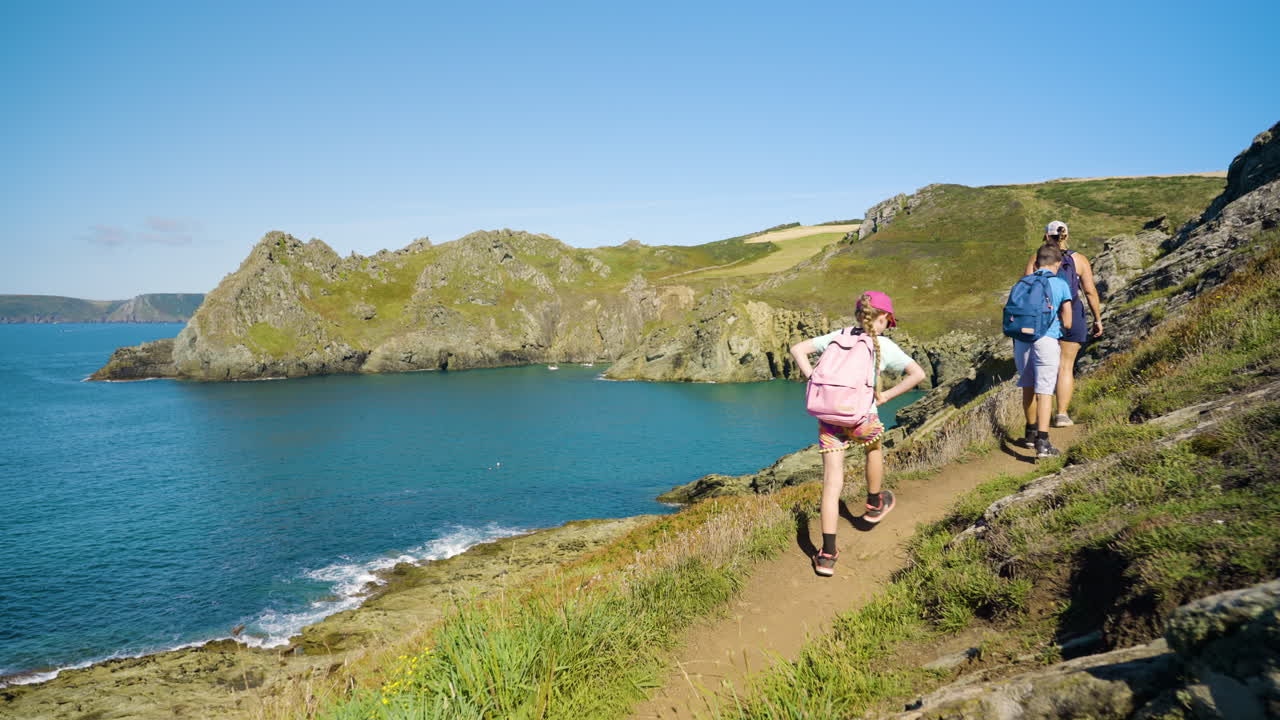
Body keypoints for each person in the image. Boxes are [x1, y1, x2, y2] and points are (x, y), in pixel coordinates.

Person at [789, 291, 926, 577]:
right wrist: (886, 395)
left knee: (831, 483)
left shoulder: (836, 336)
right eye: (889, 321)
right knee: (873, 449)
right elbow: (918, 375)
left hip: (829, 419)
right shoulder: (884, 345)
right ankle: (874, 503)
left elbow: (797, 349)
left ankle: (826, 554)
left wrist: (812, 377)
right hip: (862, 416)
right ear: (883, 318)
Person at [1024, 220, 1103, 427]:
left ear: (1046, 236)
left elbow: (1027, 287)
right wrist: (1097, 318)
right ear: (1066, 235)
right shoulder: (1079, 259)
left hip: (1044, 318)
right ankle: (1062, 414)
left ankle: (1038, 420)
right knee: (1065, 367)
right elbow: (1090, 291)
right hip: (1073, 314)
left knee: (1041, 367)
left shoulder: (1037, 257)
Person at [1012, 245, 1074, 458]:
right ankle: (1043, 443)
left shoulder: (1023, 282)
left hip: (1021, 340)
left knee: (1027, 385)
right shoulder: (1060, 283)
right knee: (1045, 390)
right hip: (1046, 340)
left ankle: (1029, 435)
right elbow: (1068, 320)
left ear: (1037, 263)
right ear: (1057, 264)